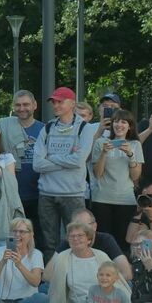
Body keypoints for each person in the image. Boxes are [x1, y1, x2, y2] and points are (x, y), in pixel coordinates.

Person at [33, 87, 99, 259]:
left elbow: (78, 161)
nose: (56, 105)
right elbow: (37, 164)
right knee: (49, 243)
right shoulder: (47, 128)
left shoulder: (85, 128)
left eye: (60, 101)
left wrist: (51, 157)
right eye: (54, 101)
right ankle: (50, 281)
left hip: (73, 195)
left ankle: (73, 277)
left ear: (72, 103)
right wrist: (66, 160)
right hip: (46, 194)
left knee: (76, 240)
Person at [89, 110, 143, 248]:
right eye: (116, 121)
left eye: (124, 122)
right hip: (102, 198)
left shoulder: (135, 144)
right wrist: (104, 153)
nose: (119, 125)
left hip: (126, 199)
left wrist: (130, 155)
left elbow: (136, 176)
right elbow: (97, 174)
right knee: (103, 241)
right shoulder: (101, 143)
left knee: (123, 242)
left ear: (129, 126)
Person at [42, 222, 112, 303]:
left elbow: (115, 283)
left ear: (89, 239)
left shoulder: (102, 257)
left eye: (80, 236)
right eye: (72, 236)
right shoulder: (62, 257)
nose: (75, 239)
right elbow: (56, 288)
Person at [0, 90, 45, 227]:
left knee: (39, 236)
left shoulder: (45, 129)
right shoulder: (3, 128)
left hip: (39, 193)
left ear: (34, 105)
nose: (22, 108)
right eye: (18, 105)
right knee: (13, 235)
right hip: (11, 192)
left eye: (26, 104)